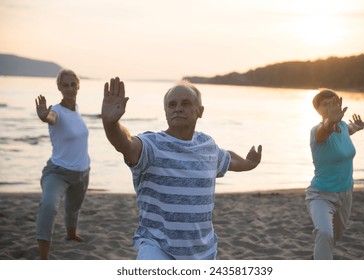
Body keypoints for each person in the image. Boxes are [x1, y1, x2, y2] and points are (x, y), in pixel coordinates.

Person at [101, 77, 262, 260]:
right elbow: (126, 144)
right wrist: (111, 124)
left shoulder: (207, 145)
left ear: (199, 111)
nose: (177, 108)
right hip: (157, 248)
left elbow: (227, 158)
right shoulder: (152, 146)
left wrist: (249, 164)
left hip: (203, 251)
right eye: (172, 104)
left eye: (185, 103)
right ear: (166, 112)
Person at [35, 69, 90, 260]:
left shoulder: (77, 110)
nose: (69, 88)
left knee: (73, 208)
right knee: (49, 206)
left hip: (82, 172)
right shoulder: (56, 111)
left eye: (73, 84)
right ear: (59, 87)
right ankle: (44, 258)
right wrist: (44, 116)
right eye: (65, 85)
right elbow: (51, 118)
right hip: (58, 172)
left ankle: (71, 234)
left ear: (78, 86)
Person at [305, 89, 364, 260]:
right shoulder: (317, 131)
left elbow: (349, 128)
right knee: (324, 233)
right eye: (325, 105)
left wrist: (358, 126)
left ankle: (317, 257)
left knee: (334, 237)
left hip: (345, 193)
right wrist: (330, 121)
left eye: (333, 103)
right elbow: (326, 129)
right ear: (318, 110)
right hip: (321, 195)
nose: (331, 107)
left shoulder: (344, 127)